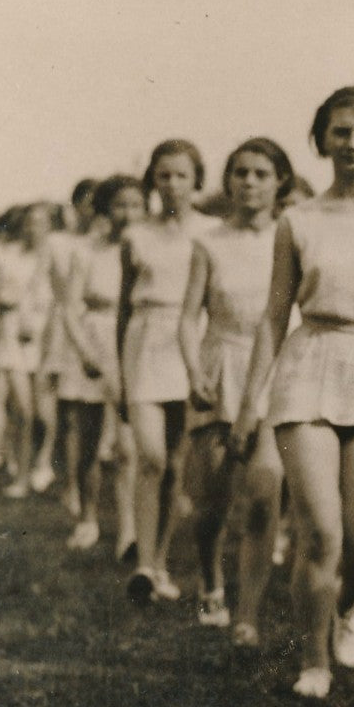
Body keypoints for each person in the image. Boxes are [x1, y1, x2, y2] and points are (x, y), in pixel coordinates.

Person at [233, 87, 354, 699]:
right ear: (322, 139)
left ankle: (346, 604)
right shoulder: (297, 220)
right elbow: (275, 316)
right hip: (308, 369)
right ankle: (316, 661)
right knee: (319, 532)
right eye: (340, 132)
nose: (351, 143)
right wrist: (250, 402)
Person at [181, 138, 292, 645]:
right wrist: (193, 371)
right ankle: (210, 579)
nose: (249, 183)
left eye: (261, 174)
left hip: (273, 370)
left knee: (265, 493)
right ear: (228, 182)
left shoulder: (291, 236)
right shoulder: (209, 242)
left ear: (279, 183)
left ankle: (247, 614)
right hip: (219, 367)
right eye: (241, 173)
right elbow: (187, 319)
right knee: (212, 505)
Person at [117, 139, 214, 603]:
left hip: (190, 339)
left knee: (176, 461)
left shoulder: (212, 233)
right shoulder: (135, 235)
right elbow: (122, 308)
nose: (172, 185)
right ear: (151, 181)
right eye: (163, 176)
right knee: (150, 456)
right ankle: (141, 563)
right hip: (145, 339)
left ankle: (159, 564)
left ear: (197, 180)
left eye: (181, 176)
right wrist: (120, 371)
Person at [59, 175, 145, 553]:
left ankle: (128, 530)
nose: (128, 213)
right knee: (90, 441)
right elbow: (70, 308)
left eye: (136, 205)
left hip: (135, 342)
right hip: (94, 344)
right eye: (120, 205)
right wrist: (86, 354)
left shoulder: (148, 248)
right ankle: (88, 517)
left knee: (128, 446)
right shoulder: (87, 252)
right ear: (105, 210)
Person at [0, 202, 55, 498]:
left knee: (45, 414)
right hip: (14, 340)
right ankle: (22, 477)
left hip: (49, 338)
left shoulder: (58, 257)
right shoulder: (9, 256)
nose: (33, 227)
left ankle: (43, 463)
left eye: (40, 222)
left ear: (49, 226)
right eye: (28, 222)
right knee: (23, 411)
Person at [41, 179, 98, 505]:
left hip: (99, 327)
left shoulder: (110, 244)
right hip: (66, 326)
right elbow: (45, 283)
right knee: (71, 410)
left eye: (96, 203)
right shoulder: (60, 242)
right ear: (75, 206)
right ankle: (72, 485)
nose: (91, 210)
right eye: (85, 202)